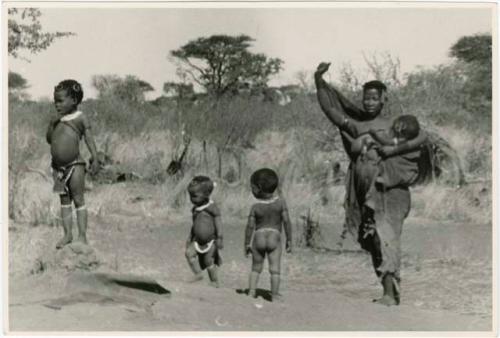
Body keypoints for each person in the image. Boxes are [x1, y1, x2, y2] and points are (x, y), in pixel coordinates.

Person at [315, 62, 427, 306]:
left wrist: (392, 148)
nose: (369, 102)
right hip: (364, 190)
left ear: (384, 99)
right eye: (366, 98)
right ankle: (389, 287)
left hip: (390, 191)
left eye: (374, 98)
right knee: (372, 238)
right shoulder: (358, 126)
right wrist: (318, 80)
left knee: (387, 235)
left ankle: (389, 293)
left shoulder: (398, 125)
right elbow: (332, 112)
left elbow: (423, 138)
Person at [46, 79, 99, 249]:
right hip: (58, 168)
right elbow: (49, 140)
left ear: (74, 101)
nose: (57, 104)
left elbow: (89, 138)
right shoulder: (58, 120)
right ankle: (67, 234)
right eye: (55, 101)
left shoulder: (79, 118)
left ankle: (82, 236)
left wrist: (95, 157)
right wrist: (51, 125)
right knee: (64, 201)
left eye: (60, 101)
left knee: (78, 199)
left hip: (75, 164)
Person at [244, 168, 292, 302]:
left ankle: (251, 292)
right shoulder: (281, 203)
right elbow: (287, 222)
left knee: (255, 268)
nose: (251, 190)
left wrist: (247, 243)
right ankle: (275, 295)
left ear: (258, 188)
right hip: (274, 237)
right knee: (275, 269)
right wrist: (289, 240)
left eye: (252, 187)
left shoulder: (255, 207)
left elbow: (250, 227)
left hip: (258, 237)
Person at [185, 176, 223, 287]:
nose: (192, 199)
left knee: (209, 262)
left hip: (210, 241)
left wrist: (220, 237)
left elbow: (218, 223)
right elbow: (195, 224)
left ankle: (214, 281)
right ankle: (198, 274)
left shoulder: (212, 208)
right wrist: (190, 237)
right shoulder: (195, 209)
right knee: (189, 254)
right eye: (190, 196)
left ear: (206, 194)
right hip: (197, 241)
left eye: (194, 196)